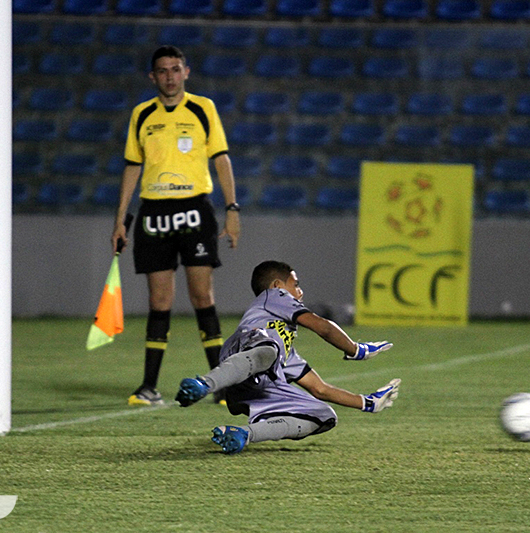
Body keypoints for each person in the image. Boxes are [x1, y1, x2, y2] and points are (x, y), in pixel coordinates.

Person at [112, 45, 241, 406]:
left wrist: (232, 209)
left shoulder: (203, 108)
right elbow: (132, 166)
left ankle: (220, 384)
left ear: (186, 72)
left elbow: (221, 159)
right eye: (162, 71)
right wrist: (120, 219)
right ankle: (148, 387)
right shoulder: (142, 114)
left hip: (194, 210)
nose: (169, 76)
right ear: (152, 77)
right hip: (153, 212)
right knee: (159, 300)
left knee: (202, 296)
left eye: (175, 69)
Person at [174, 260, 401, 455]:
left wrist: (367, 403)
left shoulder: (286, 351)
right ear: (277, 285)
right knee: (268, 350)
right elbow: (323, 327)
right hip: (242, 350)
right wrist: (356, 349)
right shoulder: (273, 296)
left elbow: (320, 389)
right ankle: (204, 384)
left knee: (324, 416)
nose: (300, 292)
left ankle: (243, 434)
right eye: (296, 284)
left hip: (251, 382)